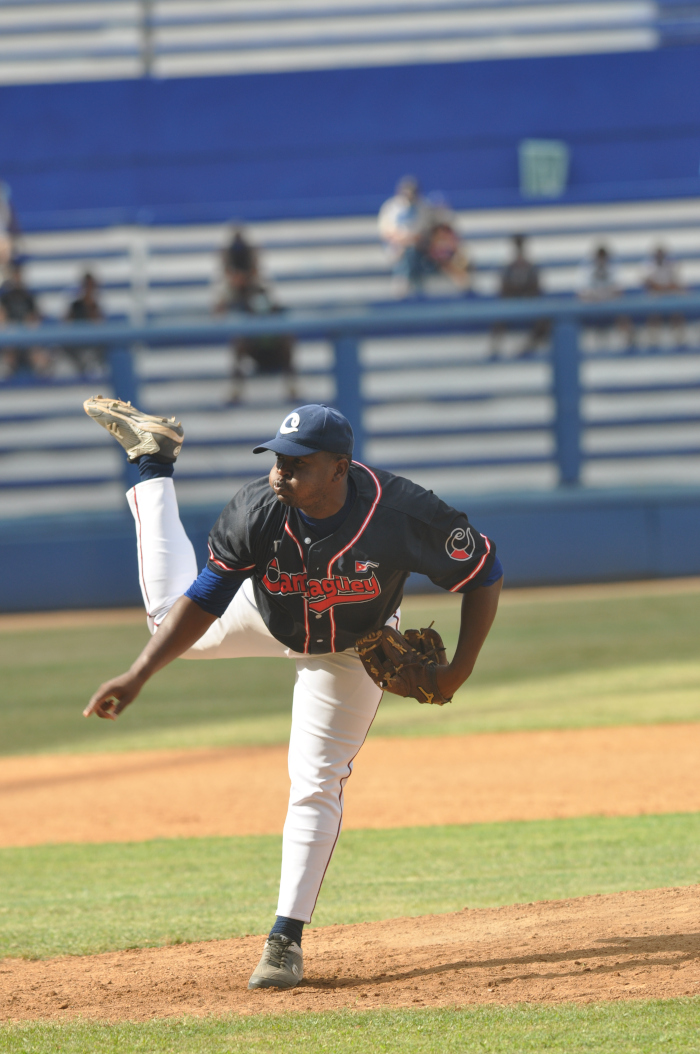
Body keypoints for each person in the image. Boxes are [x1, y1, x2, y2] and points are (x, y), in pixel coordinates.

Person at [82, 397, 503, 991]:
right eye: (278, 458)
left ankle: (284, 941)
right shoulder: (257, 508)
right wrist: (139, 673)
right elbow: (204, 598)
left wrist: (458, 670)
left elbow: (483, 570)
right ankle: (154, 463)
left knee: (316, 781)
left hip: (350, 647)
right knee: (165, 622)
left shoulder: (403, 511)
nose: (281, 471)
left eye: (298, 462)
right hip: (267, 613)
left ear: (340, 467)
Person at [491, 235, 549, 357]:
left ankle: (529, 346)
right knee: (497, 316)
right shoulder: (508, 268)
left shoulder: (531, 268)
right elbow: (503, 289)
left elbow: (537, 289)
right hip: (511, 303)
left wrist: (526, 295)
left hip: (529, 303)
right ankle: (495, 349)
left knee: (545, 321)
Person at [378, 176, 432, 296]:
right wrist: (399, 240)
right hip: (394, 245)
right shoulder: (390, 206)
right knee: (404, 253)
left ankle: (401, 283)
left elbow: (421, 232)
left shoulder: (422, 207)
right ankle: (415, 285)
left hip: (416, 247)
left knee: (410, 252)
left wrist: (407, 241)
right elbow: (384, 231)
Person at [578, 244, 634, 350]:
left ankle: (627, 343)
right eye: (599, 258)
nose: (601, 260)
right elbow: (582, 293)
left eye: (603, 258)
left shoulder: (614, 270)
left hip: (610, 303)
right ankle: (577, 344)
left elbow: (619, 290)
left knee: (623, 311)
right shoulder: (587, 271)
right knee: (577, 308)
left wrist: (605, 296)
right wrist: (596, 296)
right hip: (592, 304)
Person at [0, 259, 48, 376]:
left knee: (37, 351)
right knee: (9, 348)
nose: (17, 277)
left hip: (27, 333)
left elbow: (35, 316)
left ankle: (41, 377)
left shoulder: (28, 296)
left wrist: (30, 324)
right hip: (10, 333)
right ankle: (7, 370)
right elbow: (2, 316)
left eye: (19, 275)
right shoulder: (5, 296)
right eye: (15, 275)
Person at [642, 245, 685, 347]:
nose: (660, 256)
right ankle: (653, 338)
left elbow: (675, 282)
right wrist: (662, 287)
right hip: (655, 297)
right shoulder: (648, 266)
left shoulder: (670, 265)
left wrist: (666, 287)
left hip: (669, 296)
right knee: (653, 312)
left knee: (677, 310)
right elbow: (648, 282)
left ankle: (679, 337)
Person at [64, 271, 106, 376]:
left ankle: (93, 368)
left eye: (91, 287)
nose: (89, 290)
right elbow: (65, 324)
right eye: (87, 286)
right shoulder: (75, 305)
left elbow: (99, 326)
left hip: (93, 343)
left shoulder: (95, 307)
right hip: (76, 342)